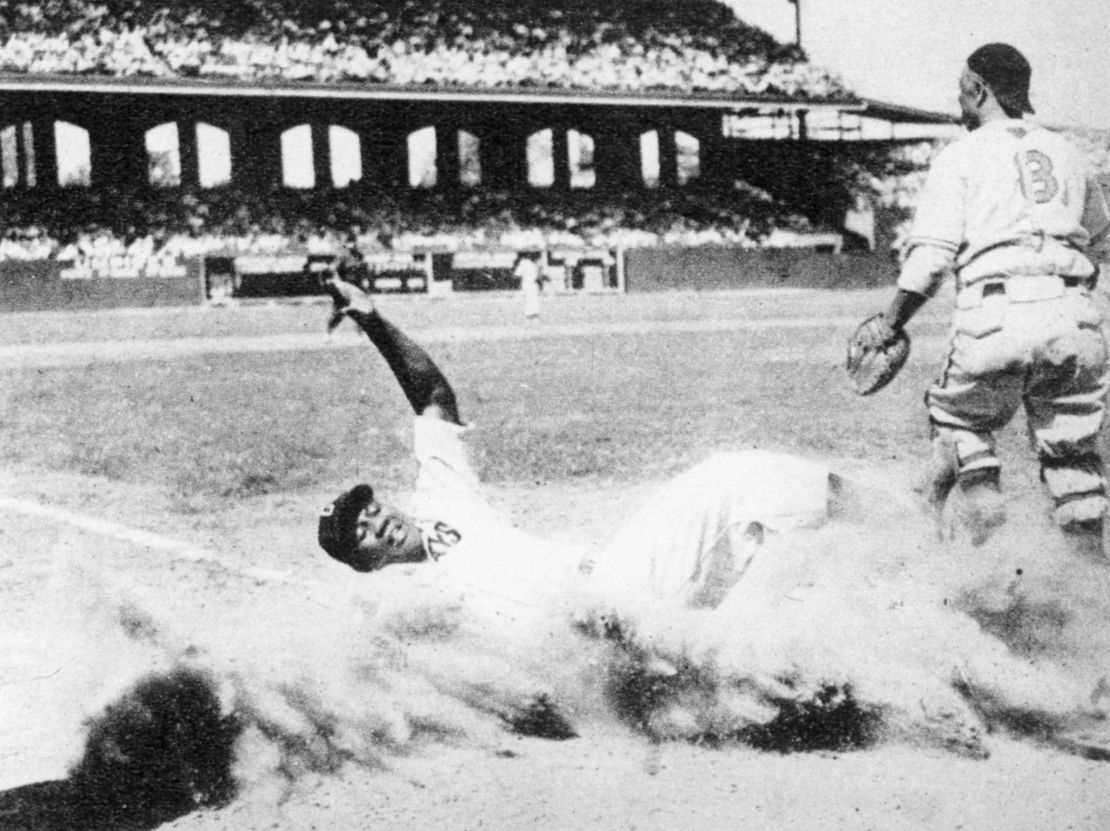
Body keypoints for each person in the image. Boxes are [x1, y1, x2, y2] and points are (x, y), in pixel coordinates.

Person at [315, 275, 1110, 757]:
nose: (373, 521)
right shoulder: (398, 604)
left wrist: (374, 317)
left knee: (734, 480)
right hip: (609, 654)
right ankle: (940, 691)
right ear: (365, 562)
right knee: (765, 649)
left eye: (368, 505)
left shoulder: (444, 497)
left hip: (627, 578)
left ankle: (899, 514)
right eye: (359, 534)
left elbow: (433, 395)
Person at [861, 43, 1110, 545]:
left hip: (994, 313)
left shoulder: (961, 155)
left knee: (959, 425)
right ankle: (1089, 597)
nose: (959, 102)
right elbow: (1100, 240)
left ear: (977, 89)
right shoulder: (1067, 151)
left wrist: (890, 323)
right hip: (1074, 317)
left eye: (961, 91)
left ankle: (989, 549)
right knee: (1075, 462)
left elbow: (930, 261)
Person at [513, 251, 544, 320]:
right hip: (527, 284)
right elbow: (517, 274)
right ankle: (530, 314)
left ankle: (534, 314)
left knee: (534, 299)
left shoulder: (535, 264)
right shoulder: (524, 263)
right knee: (530, 299)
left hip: (534, 284)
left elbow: (537, 275)